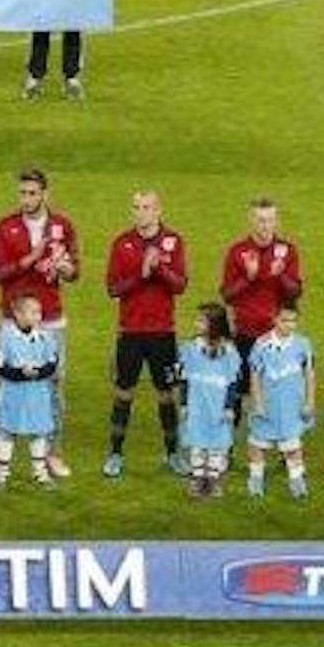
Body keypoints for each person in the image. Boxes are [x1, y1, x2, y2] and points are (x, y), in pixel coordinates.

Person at [0, 168, 78, 477]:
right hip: (9, 320)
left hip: (50, 320)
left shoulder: (63, 226)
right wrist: (31, 258)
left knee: (53, 387)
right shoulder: (5, 226)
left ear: (45, 194)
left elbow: (75, 271)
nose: (26, 199)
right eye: (22, 193)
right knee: (1, 386)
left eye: (32, 193)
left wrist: (65, 268)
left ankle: (53, 453)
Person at [104, 190, 190, 475]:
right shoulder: (122, 243)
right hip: (130, 332)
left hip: (164, 333)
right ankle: (115, 454)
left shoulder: (174, 242)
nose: (141, 212)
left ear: (158, 210)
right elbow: (112, 289)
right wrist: (141, 275)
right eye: (137, 207)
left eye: (147, 207)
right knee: (123, 393)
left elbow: (180, 285)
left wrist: (159, 269)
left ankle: (173, 454)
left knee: (168, 393)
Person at [0, 294, 62, 488]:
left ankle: (40, 472)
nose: (38, 316)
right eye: (33, 312)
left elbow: (52, 364)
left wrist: (37, 373)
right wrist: (21, 373)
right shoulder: (5, 337)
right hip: (13, 395)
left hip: (38, 394)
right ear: (18, 314)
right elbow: (1, 368)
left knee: (38, 431)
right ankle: (1, 474)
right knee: (7, 432)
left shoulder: (46, 337)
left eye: (39, 312)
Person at [243, 301, 315, 499]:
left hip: (292, 405)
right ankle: (256, 478)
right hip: (267, 404)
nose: (289, 325)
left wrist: (309, 401)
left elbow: (309, 374)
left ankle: (296, 480)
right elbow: (255, 375)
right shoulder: (262, 344)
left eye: (293, 321)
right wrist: (257, 402)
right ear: (274, 319)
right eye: (284, 320)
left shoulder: (303, 344)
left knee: (293, 445)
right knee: (258, 444)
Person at [218, 197, 302, 357]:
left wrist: (281, 276)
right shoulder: (237, 251)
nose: (266, 226)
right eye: (261, 220)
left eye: (270, 220)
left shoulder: (288, 251)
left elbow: (295, 293)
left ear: (276, 221)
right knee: (245, 381)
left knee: (277, 381)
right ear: (251, 221)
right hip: (245, 332)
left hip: (277, 332)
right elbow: (227, 296)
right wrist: (248, 277)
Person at [177, 305, 244, 498]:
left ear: (214, 325)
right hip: (197, 404)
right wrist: (184, 404)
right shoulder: (190, 348)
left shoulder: (229, 351)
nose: (196, 324)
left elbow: (232, 381)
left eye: (201, 320)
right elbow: (184, 378)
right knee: (197, 441)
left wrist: (229, 407)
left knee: (217, 444)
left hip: (218, 405)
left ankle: (213, 480)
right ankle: (197, 479)